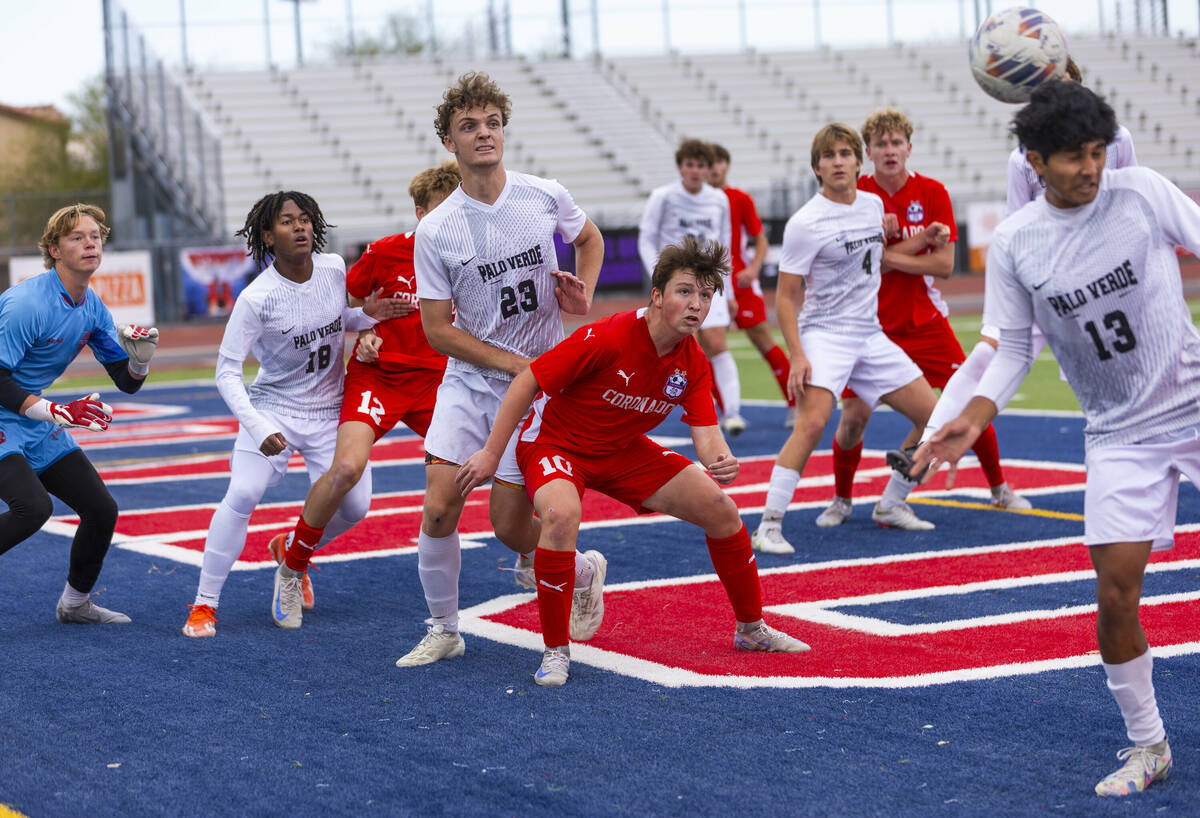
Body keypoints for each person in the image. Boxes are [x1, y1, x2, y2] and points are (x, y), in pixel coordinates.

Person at [911, 81, 1198, 797]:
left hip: (1195, 401)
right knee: (1114, 593)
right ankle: (1148, 746)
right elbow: (1011, 349)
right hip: (1117, 433)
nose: (1092, 168)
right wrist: (972, 420)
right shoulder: (1016, 240)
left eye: (1098, 152)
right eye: (1074, 157)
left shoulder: (1142, 192)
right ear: (1036, 162)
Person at [457, 236, 809, 686]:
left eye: (705, 295)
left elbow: (707, 436)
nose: (696, 304)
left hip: (622, 449)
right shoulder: (608, 335)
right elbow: (529, 379)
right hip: (556, 444)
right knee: (558, 517)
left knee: (722, 510)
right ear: (657, 296)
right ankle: (555, 650)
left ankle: (751, 629)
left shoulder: (692, 362)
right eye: (685, 291)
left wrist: (722, 461)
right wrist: (490, 452)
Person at [394, 72, 607, 668]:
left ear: (504, 132)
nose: (483, 133)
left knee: (512, 530)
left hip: (540, 390)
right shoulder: (435, 229)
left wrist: (582, 294)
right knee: (438, 506)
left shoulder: (543, 194)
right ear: (449, 142)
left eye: (492, 123)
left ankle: (585, 567)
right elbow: (438, 330)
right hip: (472, 383)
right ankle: (444, 629)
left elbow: (589, 241)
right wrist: (513, 362)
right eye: (469, 126)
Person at [219, 161, 462, 640]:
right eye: (441, 210)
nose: (452, 218)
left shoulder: (473, 255)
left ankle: (528, 553)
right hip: (380, 379)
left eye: (460, 208)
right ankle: (292, 568)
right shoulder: (386, 252)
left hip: (438, 381)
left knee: (486, 463)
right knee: (346, 470)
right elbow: (342, 308)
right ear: (419, 213)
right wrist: (367, 335)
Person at [895, 58, 1138, 469]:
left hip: (1105, 285)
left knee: (1108, 390)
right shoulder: (1022, 158)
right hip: (1046, 281)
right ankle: (927, 444)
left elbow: (1134, 204)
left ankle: (1128, 466)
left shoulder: (1118, 140)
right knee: (986, 355)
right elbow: (1016, 223)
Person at [182, 191, 401, 636]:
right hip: (275, 410)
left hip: (330, 411)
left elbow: (337, 320)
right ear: (268, 235)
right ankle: (204, 605)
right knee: (243, 493)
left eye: (304, 219)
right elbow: (225, 371)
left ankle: (292, 548)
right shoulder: (256, 298)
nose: (299, 227)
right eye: (287, 221)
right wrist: (258, 426)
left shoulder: (334, 269)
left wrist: (367, 317)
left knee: (357, 506)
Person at [817, 108, 1030, 529]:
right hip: (868, 326)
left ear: (909, 148)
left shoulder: (932, 191)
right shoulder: (856, 195)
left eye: (897, 143)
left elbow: (946, 266)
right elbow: (852, 264)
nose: (890, 150)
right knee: (854, 418)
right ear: (868, 153)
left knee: (969, 401)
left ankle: (999, 488)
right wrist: (912, 246)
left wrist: (886, 251)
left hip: (925, 321)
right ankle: (841, 499)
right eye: (881, 144)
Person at [751, 123, 940, 555]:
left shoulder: (873, 204)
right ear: (817, 167)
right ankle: (769, 525)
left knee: (935, 418)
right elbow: (784, 298)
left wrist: (924, 239)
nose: (838, 162)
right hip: (825, 334)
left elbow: (878, 262)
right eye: (828, 156)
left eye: (845, 153)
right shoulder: (806, 222)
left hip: (870, 335)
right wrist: (797, 354)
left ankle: (891, 504)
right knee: (814, 423)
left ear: (859, 161)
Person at [0, 203, 158, 624]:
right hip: (8, 412)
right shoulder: (26, 304)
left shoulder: (92, 307)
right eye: (77, 237)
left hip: (29, 415)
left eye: (96, 236)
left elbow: (124, 382)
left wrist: (140, 361)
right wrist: (57, 412)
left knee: (101, 509)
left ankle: (74, 605)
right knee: (32, 509)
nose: (90, 243)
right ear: (54, 249)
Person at [638, 139, 744, 435]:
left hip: (709, 281)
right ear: (680, 166)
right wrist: (660, 277)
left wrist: (730, 290)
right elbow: (646, 238)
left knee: (717, 344)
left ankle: (733, 414)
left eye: (700, 165)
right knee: (683, 347)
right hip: (676, 283)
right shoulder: (663, 196)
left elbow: (724, 244)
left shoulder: (718, 199)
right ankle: (695, 412)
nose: (695, 171)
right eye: (690, 164)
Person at [708, 143, 794, 427]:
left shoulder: (740, 198)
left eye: (718, 163)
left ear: (726, 166)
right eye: (707, 164)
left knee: (763, 340)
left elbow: (760, 239)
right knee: (709, 346)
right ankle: (726, 414)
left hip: (741, 282)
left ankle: (795, 403)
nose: (712, 169)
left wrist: (754, 269)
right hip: (709, 284)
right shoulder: (696, 201)